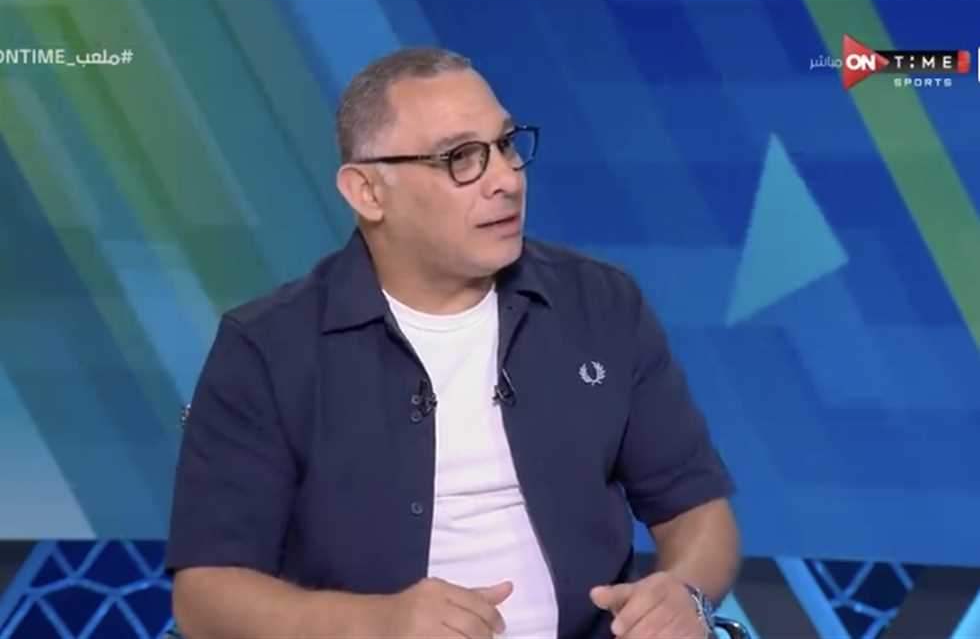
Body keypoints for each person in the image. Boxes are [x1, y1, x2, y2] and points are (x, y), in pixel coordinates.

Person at [165, 46, 740, 639]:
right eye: (461, 158)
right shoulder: (266, 349)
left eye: (506, 145)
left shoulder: (601, 304)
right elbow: (205, 596)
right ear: (368, 191)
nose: (506, 180)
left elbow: (697, 509)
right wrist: (377, 624)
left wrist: (685, 593)